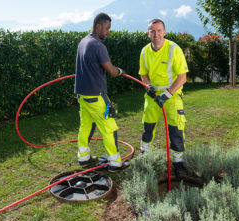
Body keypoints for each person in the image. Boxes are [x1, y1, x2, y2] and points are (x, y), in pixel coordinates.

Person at [74, 12, 129, 172]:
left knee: (85, 125)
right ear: (98, 26)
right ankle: (115, 163)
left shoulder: (83, 42)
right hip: (96, 96)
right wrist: (119, 71)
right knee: (109, 127)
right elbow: (111, 71)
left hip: (82, 95)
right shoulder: (99, 46)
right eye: (107, 28)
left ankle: (83, 158)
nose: (108, 32)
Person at [139, 19, 189, 177]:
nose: (156, 34)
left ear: (165, 32)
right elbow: (143, 73)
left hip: (172, 95)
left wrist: (166, 95)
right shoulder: (144, 51)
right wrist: (148, 86)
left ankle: (178, 162)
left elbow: (182, 77)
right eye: (152, 31)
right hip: (153, 96)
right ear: (148, 33)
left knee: (176, 130)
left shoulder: (174, 49)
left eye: (159, 30)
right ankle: (145, 156)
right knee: (148, 128)